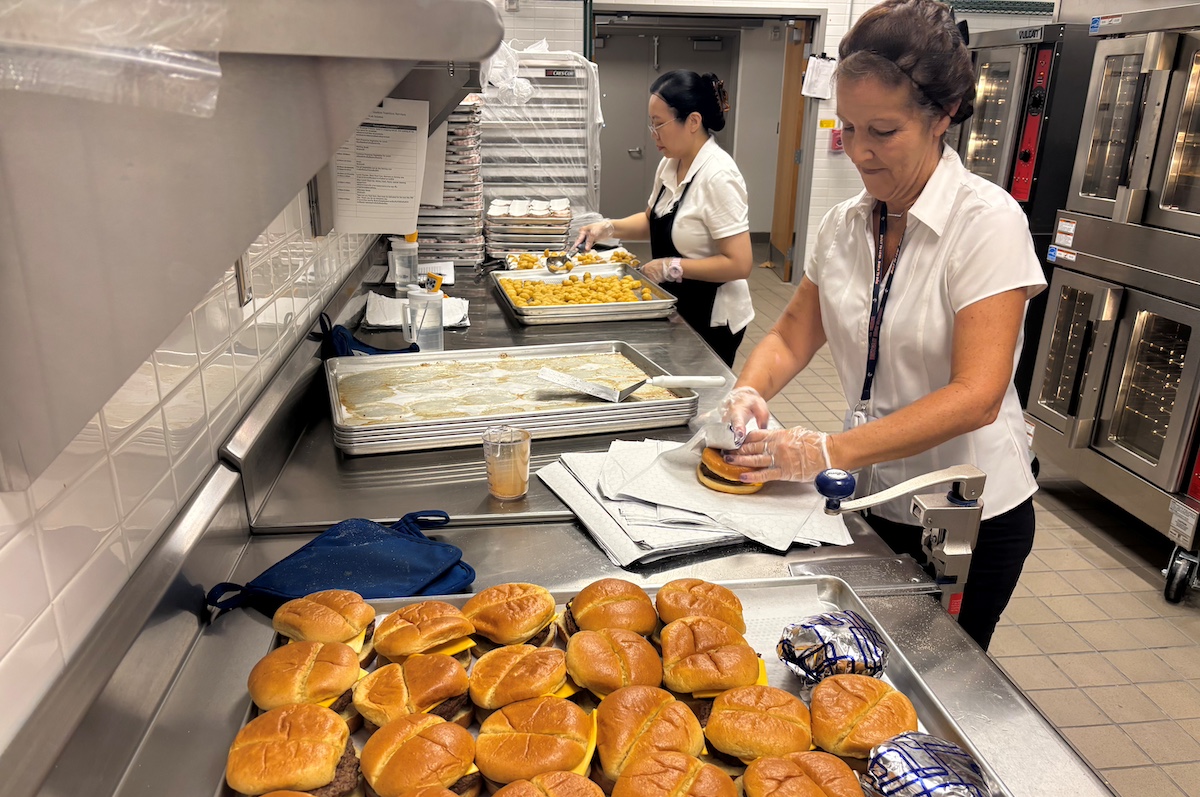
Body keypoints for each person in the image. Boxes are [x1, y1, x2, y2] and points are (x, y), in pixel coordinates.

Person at [719, 0, 1045, 651]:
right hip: (871, 497)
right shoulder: (845, 226)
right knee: (861, 663)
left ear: (940, 117)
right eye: (848, 128)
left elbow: (977, 394)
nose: (860, 152)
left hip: (964, 511)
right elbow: (789, 335)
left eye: (884, 131)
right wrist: (749, 390)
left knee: (935, 677)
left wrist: (823, 451)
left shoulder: (986, 224)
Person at [575, 70, 754, 366]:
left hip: (711, 318)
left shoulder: (719, 176)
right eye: (651, 124)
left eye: (659, 124)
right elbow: (653, 220)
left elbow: (740, 263)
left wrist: (670, 267)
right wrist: (607, 227)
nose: (653, 133)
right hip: (676, 306)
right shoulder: (671, 163)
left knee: (699, 399)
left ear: (693, 121)